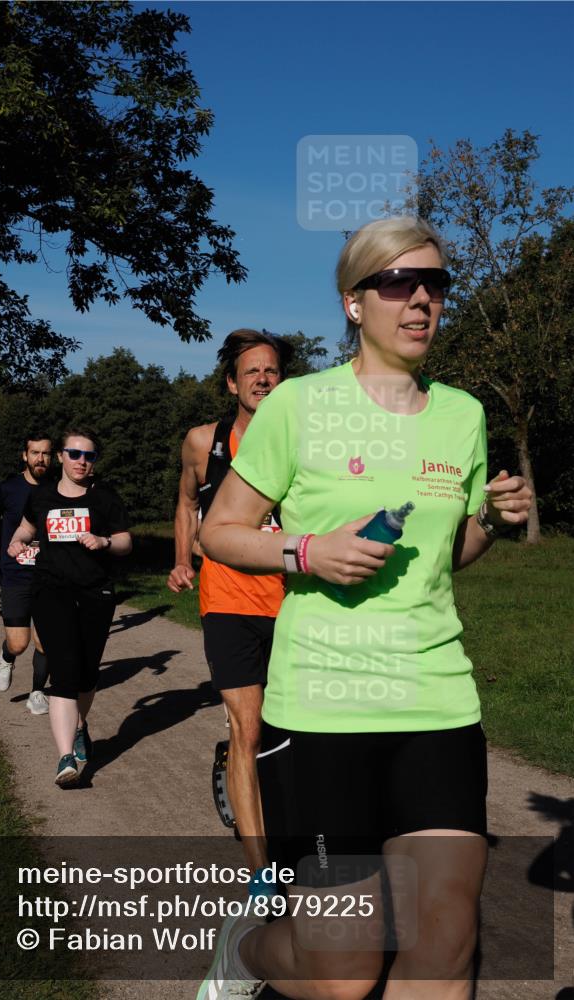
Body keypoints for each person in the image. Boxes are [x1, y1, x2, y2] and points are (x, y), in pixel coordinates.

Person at [196, 217, 532, 1000]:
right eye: (398, 284)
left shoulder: (465, 415)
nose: (420, 300)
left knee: (445, 944)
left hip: (436, 701)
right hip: (322, 711)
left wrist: (491, 522)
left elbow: (445, 558)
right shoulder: (298, 405)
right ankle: (248, 954)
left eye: (435, 285)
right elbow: (220, 532)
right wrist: (307, 551)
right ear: (354, 302)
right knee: (344, 975)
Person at [168, 329, 292, 879]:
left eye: (271, 371)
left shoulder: (300, 439)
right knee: (249, 728)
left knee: (294, 733)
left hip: (294, 602)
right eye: (252, 372)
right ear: (231, 383)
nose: (263, 379)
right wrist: (182, 560)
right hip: (229, 599)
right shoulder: (204, 442)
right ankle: (261, 872)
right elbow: (185, 502)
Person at [7, 427, 132, 787]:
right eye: (74, 454)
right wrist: (17, 542)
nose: (81, 461)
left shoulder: (105, 497)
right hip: (51, 590)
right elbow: (26, 528)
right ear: (61, 455)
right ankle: (65, 758)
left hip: (95, 592)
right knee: (64, 670)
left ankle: (79, 725)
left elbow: (125, 541)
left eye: (89, 456)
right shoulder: (42, 496)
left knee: (88, 671)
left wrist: (104, 540)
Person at [0, 433, 53, 715]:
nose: (40, 459)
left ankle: (37, 692)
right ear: (25, 456)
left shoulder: (59, 488)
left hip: (49, 576)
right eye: (35, 453)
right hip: (15, 574)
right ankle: (7, 655)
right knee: (20, 642)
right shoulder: (9, 488)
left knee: (45, 640)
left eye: (45, 453)